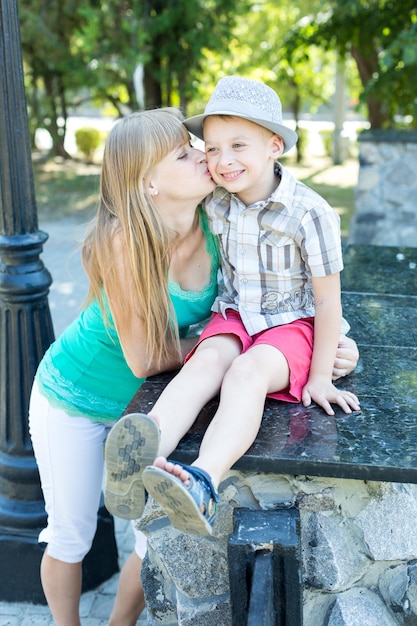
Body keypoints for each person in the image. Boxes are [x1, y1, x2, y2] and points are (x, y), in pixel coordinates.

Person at [106, 76, 361, 538]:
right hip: (236, 315)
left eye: (239, 145)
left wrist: (322, 373)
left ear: (274, 145)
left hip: (292, 325)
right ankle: (140, 457)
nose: (222, 161)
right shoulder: (218, 201)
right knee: (203, 362)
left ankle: (204, 479)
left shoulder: (310, 213)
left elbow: (327, 300)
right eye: (213, 148)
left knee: (246, 372)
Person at [28, 108, 221, 626]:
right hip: (74, 396)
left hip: (146, 410)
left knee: (148, 535)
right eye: (184, 154)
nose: (203, 155)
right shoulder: (123, 241)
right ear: (148, 183)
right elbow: (146, 356)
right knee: (71, 534)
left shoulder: (220, 224)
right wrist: (220, 340)